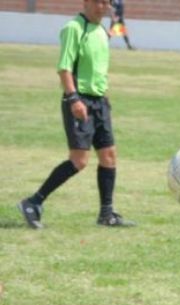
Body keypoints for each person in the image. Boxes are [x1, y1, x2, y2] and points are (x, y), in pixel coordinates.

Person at [18, 0, 134, 228]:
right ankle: (33, 202)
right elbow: (65, 68)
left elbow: (97, 68)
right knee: (79, 160)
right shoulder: (73, 28)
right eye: (98, 2)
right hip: (80, 101)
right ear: (86, 2)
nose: (102, 7)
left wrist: (103, 97)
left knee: (109, 156)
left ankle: (106, 214)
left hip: (100, 102)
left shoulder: (101, 31)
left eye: (107, 2)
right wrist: (73, 99)